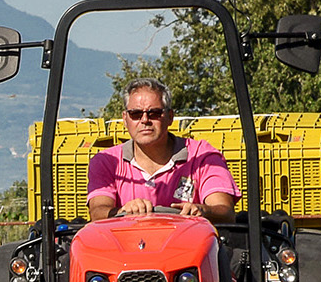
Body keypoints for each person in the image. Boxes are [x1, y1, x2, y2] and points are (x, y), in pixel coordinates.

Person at [86, 79, 239, 223]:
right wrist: (122, 211)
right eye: (136, 114)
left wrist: (202, 211)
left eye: (154, 113)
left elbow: (225, 211)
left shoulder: (202, 156)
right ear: (125, 119)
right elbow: (98, 211)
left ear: (170, 117)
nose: (145, 120)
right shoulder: (107, 161)